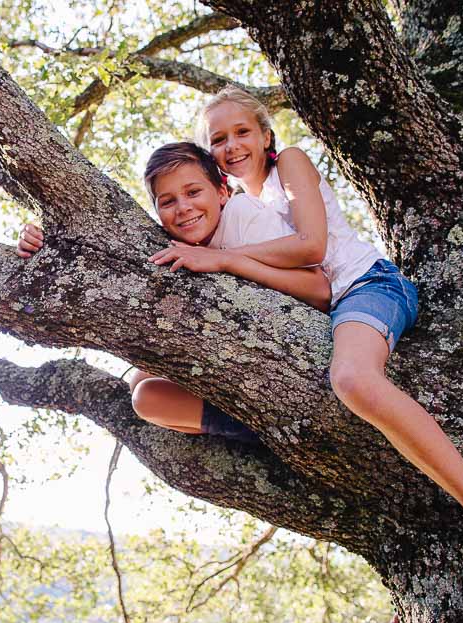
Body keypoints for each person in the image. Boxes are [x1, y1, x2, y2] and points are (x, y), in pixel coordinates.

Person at [171, 85, 463, 615]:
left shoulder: (291, 164)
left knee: (352, 380)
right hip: (329, 310)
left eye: (241, 132)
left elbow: (314, 250)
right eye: (218, 140)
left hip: (367, 286)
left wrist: (225, 261)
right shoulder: (238, 209)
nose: (231, 146)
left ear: (265, 134)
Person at [16, 142, 330, 441]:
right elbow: (101, 257)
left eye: (193, 192)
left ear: (222, 191)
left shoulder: (240, 213)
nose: (184, 208)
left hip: (294, 358)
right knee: (141, 386)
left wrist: (227, 261)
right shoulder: (179, 248)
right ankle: (246, 431)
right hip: (243, 368)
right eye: (167, 201)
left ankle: (266, 432)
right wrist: (45, 246)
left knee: (147, 396)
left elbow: (320, 289)